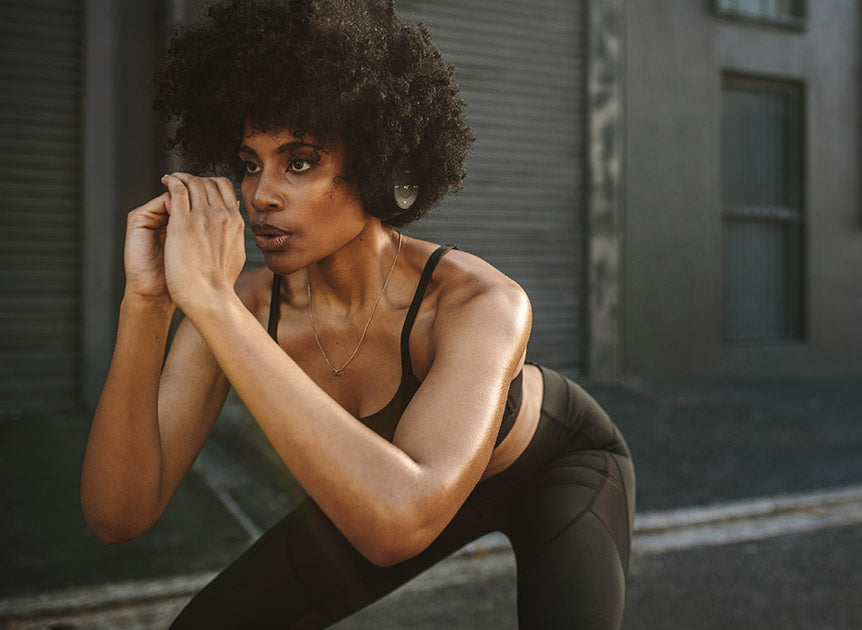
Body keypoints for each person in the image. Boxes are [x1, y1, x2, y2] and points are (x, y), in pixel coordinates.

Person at [79, 1, 635, 628]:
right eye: (248, 163)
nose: (261, 195)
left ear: (379, 163)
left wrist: (212, 300)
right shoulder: (245, 308)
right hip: (389, 493)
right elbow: (118, 516)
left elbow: (400, 523)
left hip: (554, 469)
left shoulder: (478, 300)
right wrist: (148, 303)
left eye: (300, 161)